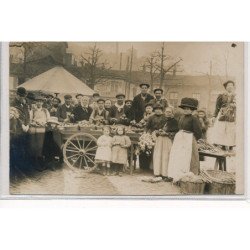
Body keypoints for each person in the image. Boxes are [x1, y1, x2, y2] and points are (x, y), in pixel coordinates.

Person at [167, 98, 202, 182]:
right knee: (178, 156)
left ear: (192, 110)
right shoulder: (182, 117)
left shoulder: (194, 119)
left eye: (188, 109)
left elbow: (198, 132)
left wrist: (192, 139)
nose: (186, 110)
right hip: (180, 138)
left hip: (189, 139)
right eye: (185, 108)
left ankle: (188, 175)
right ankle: (176, 174)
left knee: (188, 157)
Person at [146, 105, 178, 181]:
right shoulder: (163, 119)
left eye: (169, 112)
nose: (168, 113)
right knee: (158, 155)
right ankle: (157, 173)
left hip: (167, 140)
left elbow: (176, 132)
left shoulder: (174, 121)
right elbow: (156, 128)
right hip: (160, 140)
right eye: (166, 112)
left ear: (172, 113)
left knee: (166, 156)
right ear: (164, 112)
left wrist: (167, 134)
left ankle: (165, 174)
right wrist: (158, 132)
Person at [10, 87, 30, 173]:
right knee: (15, 148)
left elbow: (28, 115)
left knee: (23, 147)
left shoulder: (25, 103)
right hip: (17, 129)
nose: (23, 98)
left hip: (25, 129)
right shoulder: (12, 103)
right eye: (21, 96)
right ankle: (14, 167)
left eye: (24, 96)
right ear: (17, 95)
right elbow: (15, 116)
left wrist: (28, 125)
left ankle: (21, 166)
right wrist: (22, 125)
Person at [212, 80, 236, 150]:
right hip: (222, 115)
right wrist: (214, 116)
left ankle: (230, 145)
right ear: (226, 87)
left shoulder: (236, 96)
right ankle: (221, 144)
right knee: (221, 129)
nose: (230, 87)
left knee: (230, 130)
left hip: (232, 115)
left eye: (232, 85)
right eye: (228, 86)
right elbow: (217, 107)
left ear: (233, 87)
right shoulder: (221, 95)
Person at [29, 96, 50, 170]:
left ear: (42, 103)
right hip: (34, 130)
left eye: (40, 101)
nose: (39, 103)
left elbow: (48, 120)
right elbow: (30, 120)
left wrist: (45, 124)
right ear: (36, 102)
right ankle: (36, 164)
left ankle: (41, 164)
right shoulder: (32, 111)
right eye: (37, 101)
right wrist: (34, 124)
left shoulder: (45, 110)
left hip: (42, 130)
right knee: (35, 146)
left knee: (41, 146)